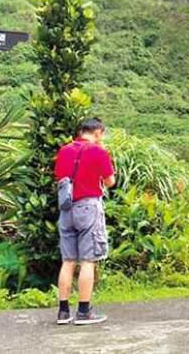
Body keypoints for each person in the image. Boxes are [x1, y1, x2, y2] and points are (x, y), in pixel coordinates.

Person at [53, 118, 115, 325]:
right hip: (88, 207)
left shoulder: (64, 150)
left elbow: (59, 177)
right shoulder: (98, 151)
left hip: (67, 208)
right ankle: (83, 311)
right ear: (98, 133)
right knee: (88, 260)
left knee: (68, 260)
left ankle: (63, 312)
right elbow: (110, 181)